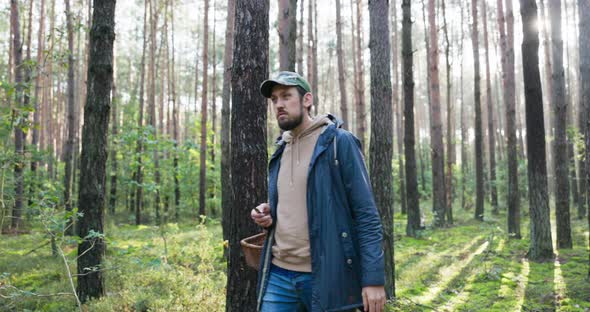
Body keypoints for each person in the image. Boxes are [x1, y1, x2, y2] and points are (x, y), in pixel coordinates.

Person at [251, 71, 386, 312]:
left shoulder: (338, 142)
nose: (279, 104)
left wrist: (373, 279)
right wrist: (270, 212)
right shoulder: (281, 148)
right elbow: (301, 200)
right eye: (274, 99)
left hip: (325, 276)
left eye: (286, 96)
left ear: (307, 100)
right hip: (278, 275)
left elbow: (366, 215)